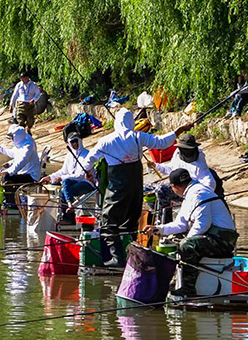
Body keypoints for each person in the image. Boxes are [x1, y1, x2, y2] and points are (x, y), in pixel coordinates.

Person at [80, 108, 194, 267]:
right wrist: (179, 130)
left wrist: (87, 172)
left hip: (117, 189)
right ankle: (131, 256)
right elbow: (162, 142)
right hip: (135, 187)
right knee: (130, 221)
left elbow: (87, 162)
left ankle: (117, 259)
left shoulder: (105, 141)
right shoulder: (138, 136)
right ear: (130, 122)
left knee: (108, 222)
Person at [142, 169, 237, 299]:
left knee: (187, 245)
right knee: (180, 243)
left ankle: (188, 288)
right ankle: (178, 281)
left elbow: (202, 224)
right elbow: (180, 224)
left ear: (174, 187)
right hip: (213, 236)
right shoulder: (190, 194)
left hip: (223, 240)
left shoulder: (199, 193)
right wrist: (158, 229)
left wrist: (186, 241)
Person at [41, 132, 94, 224]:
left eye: (76, 141)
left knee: (65, 186)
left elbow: (80, 175)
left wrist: (62, 178)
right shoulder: (69, 155)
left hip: (87, 183)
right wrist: (49, 177)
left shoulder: (87, 154)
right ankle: (68, 217)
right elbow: (63, 171)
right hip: (71, 183)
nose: (74, 144)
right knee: (63, 188)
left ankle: (69, 213)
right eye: (72, 142)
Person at [0, 125, 42, 205]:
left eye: (12, 138)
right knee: (3, 175)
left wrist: (9, 172)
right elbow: (15, 154)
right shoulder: (21, 143)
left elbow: (22, 161)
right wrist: (2, 150)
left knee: (7, 178)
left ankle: (12, 203)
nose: (11, 140)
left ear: (17, 137)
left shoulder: (28, 146)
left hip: (31, 175)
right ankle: (10, 199)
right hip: (23, 172)